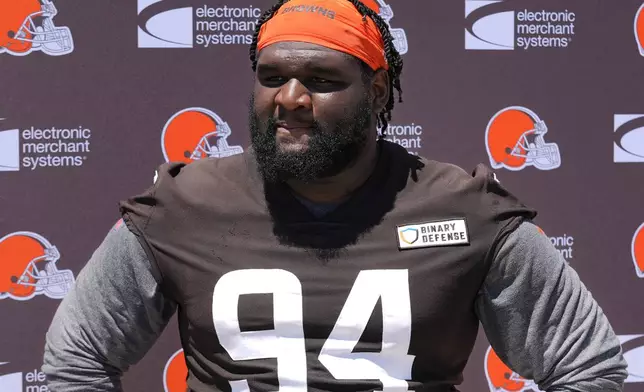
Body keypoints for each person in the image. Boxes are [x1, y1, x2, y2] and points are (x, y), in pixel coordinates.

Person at [42, 0, 628, 391]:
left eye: (322, 81)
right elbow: (76, 359)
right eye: (272, 77)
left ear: (376, 90)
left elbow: (588, 365)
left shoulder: (468, 211)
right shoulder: (180, 206)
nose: (290, 97)